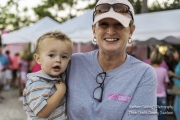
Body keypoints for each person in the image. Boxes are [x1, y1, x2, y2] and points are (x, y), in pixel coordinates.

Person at [66, 0, 157, 119]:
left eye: (119, 24)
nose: (110, 31)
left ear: (131, 31)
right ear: (94, 30)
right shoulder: (74, 63)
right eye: (104, 24)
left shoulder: (144, 74)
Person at [23, 31, 73, 120]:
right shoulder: (36, 82)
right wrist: (61, 91)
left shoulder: (60, 77)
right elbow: (42, 112)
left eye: (64, 56)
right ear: (38, 59)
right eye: (51, 55)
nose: (58, 60)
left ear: (69, 60)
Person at [150, 49, 169, 120]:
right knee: (162, 117)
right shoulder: (164, 70)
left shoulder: (148, 70)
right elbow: (166, 84)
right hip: (162, 96)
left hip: (151, 97)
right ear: (161, 60)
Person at [172, 49, 180, 120]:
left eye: (175, 52)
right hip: (178, 89)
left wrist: (173, 75)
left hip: (179, 89)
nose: (174, 54)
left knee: (177, 109)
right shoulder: (178, 63)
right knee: (176, 109)